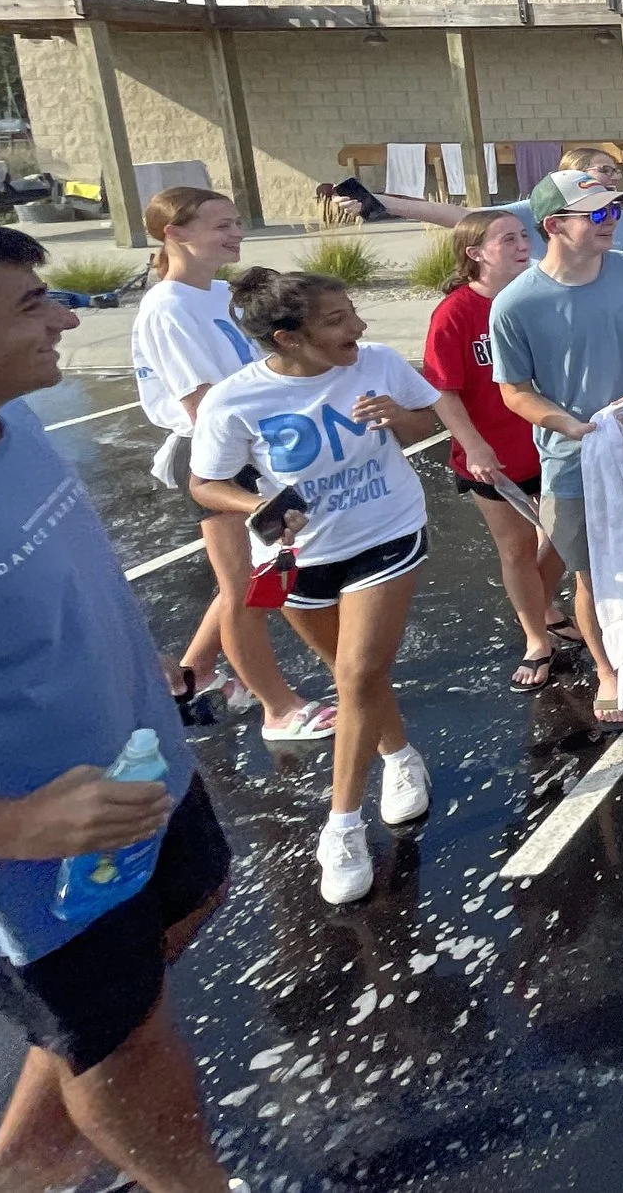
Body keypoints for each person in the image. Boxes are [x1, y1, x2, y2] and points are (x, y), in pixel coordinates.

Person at [0, 228, 254, 1193]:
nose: (66, 316)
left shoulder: (17, 429)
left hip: (140, 775)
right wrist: (11, 824)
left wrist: (145, 662)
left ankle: (16, 1173)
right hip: (33, 861)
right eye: (29, 304)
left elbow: (64, 578)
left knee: (181, 911)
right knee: (126, 1041)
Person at [190, 269, 441, 905]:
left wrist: (397, 417)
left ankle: (343, 826)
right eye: (336, 321)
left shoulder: (377, 363)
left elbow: (425, 425)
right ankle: (401, 755)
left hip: (387, 532)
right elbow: (204, 483)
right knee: (353, 674)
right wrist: (258, 501)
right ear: (287, 338)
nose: (357, 327)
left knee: (356, 675)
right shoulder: (233, 401)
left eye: (352, 311)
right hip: (294, 558)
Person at [491, 168, 623, 731]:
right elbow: (514, 391)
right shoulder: (516, 303)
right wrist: (569, 426)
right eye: (600, 214)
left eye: (616, 211)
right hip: (573, 458)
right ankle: (609, 670)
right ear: (555, 225)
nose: (614, 222)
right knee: (592, 575)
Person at [127, 185, 334, 743]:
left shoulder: (217, 293)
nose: (236, 233)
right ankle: (278, 708)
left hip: (250, 450)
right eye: (221, 224)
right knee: (247, 588)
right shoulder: (167, 307)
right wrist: (262, 464)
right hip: (217, 459)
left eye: (236, 222)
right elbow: (203, 408)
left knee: (242, 583)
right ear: (175, 233)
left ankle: (196, 675)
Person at [420, 209, 576, 691]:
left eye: (521, 236)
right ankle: (536, 637)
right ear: (475, 254)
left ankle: (541, 603)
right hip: (496, 457)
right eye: (506, 239)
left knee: (564, 538)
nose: (520, 244)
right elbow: (442, 391)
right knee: (517, 550)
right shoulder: (455, 314)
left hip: (551, 444)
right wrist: (474, 446)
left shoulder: (537, 295)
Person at [360, 144, 623, 258]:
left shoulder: (618, 219)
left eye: (615, 171)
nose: (614, 177)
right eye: (603, 170)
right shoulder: (534, 211)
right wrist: (385, 202)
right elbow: (465, 216)